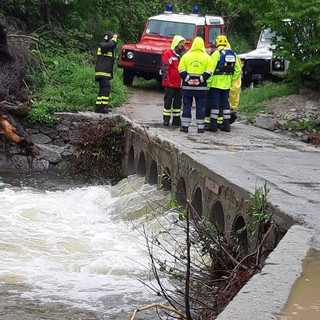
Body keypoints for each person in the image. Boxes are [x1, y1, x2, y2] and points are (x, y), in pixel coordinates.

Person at [178, 37, 214, 133]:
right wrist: (200, 80)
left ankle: (185, 127)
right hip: (201, 88)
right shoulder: (207, 57)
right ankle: (200, 128)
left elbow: (181, 69)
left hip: (187, 86)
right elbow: (210, 70)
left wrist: (188, 79)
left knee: (186, 105)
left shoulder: (186, 56)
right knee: (200, 107)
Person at [207, 35, 241, 132]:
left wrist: (208, 83)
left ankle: (213, 125)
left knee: (215, 104)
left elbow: (211, 69)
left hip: (215, 83)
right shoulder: (233, 54)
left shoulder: (216, 54)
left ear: (217, 43)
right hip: (226, 85)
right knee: (225, 104)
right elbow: (238, 70)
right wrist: (231, 79)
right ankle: (226, 125)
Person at [161, 35, 186, 126]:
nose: (182, 44)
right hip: (170, 83)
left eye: (182, 43)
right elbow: (165, 68)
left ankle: (176, 120)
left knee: (178, 103)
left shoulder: (183, 54)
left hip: (179, 84)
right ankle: (166, 119)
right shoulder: (167, 53)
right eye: (180, 43)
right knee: (168, 102)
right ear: (176, 43)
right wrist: (167, 81)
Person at [94, 31, 118, 113]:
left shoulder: (107, 47)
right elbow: (111, 44)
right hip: (102, 72)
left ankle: (99, 107)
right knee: (106, 88)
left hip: (104, 72)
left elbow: (112, 46)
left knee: (103, 89)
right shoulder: (104, 45)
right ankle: (102, 107)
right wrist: (114, 39)